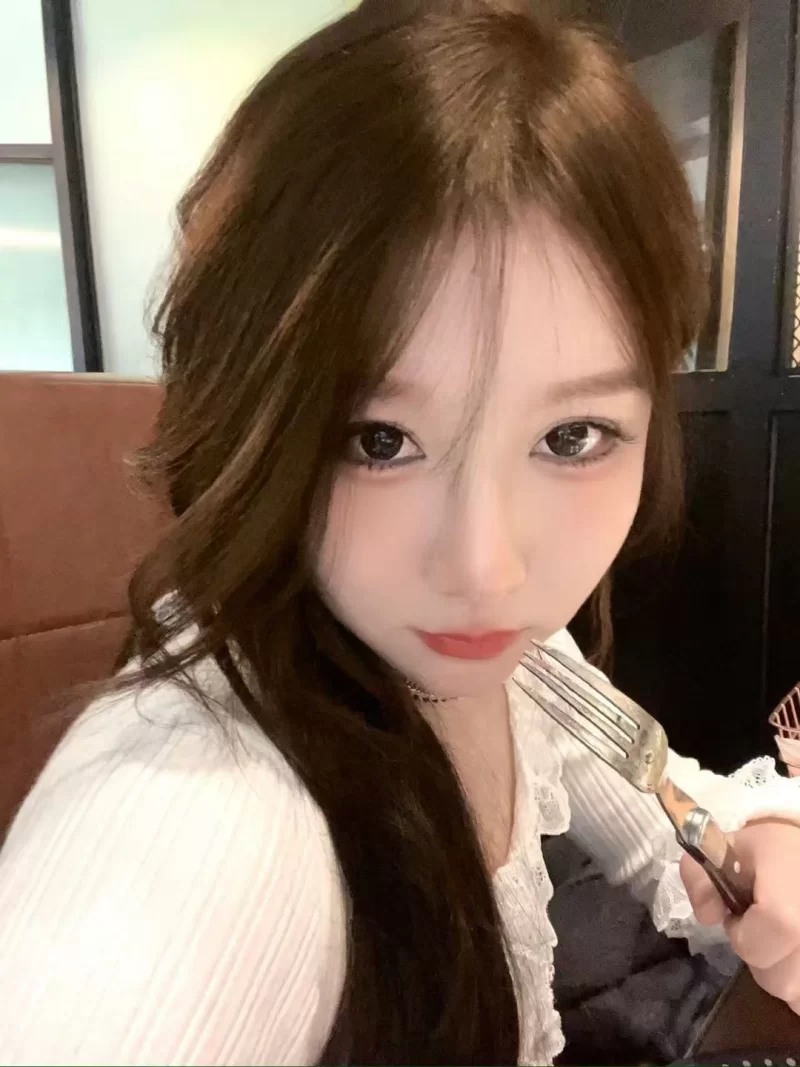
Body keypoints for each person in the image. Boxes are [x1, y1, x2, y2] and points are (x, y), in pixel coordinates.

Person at [1, 2, 800, 1064]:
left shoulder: (520, 664)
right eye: (378, 440)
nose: (486, 567)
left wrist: (767, 843)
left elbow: (667, 805)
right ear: (251, 417)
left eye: (571, 435)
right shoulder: (205, 813)